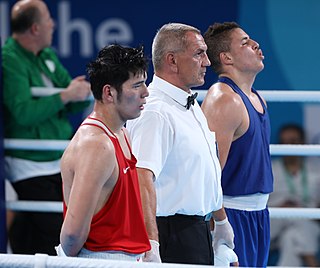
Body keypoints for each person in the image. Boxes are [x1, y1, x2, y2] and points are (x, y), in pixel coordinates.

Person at [126, 22, 237, 265]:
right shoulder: (156, 112)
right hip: (170, 235)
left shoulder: (189, 102)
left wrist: (220, 221)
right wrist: (151, 243)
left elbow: (205, 169)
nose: (207, 61)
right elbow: (141, 177)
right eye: (199, 53)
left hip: (196, 231)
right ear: (172, 60)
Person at [2, 0, 91, 255]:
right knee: (56, 233)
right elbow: (23, 113)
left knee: (36, 232)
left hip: (58, 160)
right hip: (29, 164)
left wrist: (79, 94)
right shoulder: (9, 61)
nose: (53, 23)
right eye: (48, 19)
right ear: (34, 28)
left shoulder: (47, 55)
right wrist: (65, 96)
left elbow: (69, 101)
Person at [55, 44, 152, 262]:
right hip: (100, 260)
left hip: (125, 258)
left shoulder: (121, 134)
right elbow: (72, 234)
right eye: (137, 85)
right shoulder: (96, 146)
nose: (146, 92)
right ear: (109, 92)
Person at [202, 21, 274, 267]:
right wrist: (219, 228)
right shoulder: (222, 100)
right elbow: (208, 176)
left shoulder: (258, 98)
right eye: (245, 43)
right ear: (226, 58)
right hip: (230, 217)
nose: (256, 44)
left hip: (259, 216)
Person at [268, 124, 320, 267]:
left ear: (303, 143)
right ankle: (312, 263)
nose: (288, 146)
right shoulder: (269, 169)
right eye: (284, 143)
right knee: (290, 216)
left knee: (291, 237)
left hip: (307, 223)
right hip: (273, 224)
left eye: (293, 141)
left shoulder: (316, 170)